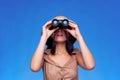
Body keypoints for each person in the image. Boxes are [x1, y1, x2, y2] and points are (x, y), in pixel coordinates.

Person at [30, 16, 95, 80]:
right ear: (52, 34)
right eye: (56, 28)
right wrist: (44, 37)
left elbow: (90, 66)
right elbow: (34, 68)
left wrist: (79, 37)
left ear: (68, 33)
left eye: (63, 28)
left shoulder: (75, 54)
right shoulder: (44, 55)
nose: (60, 30)